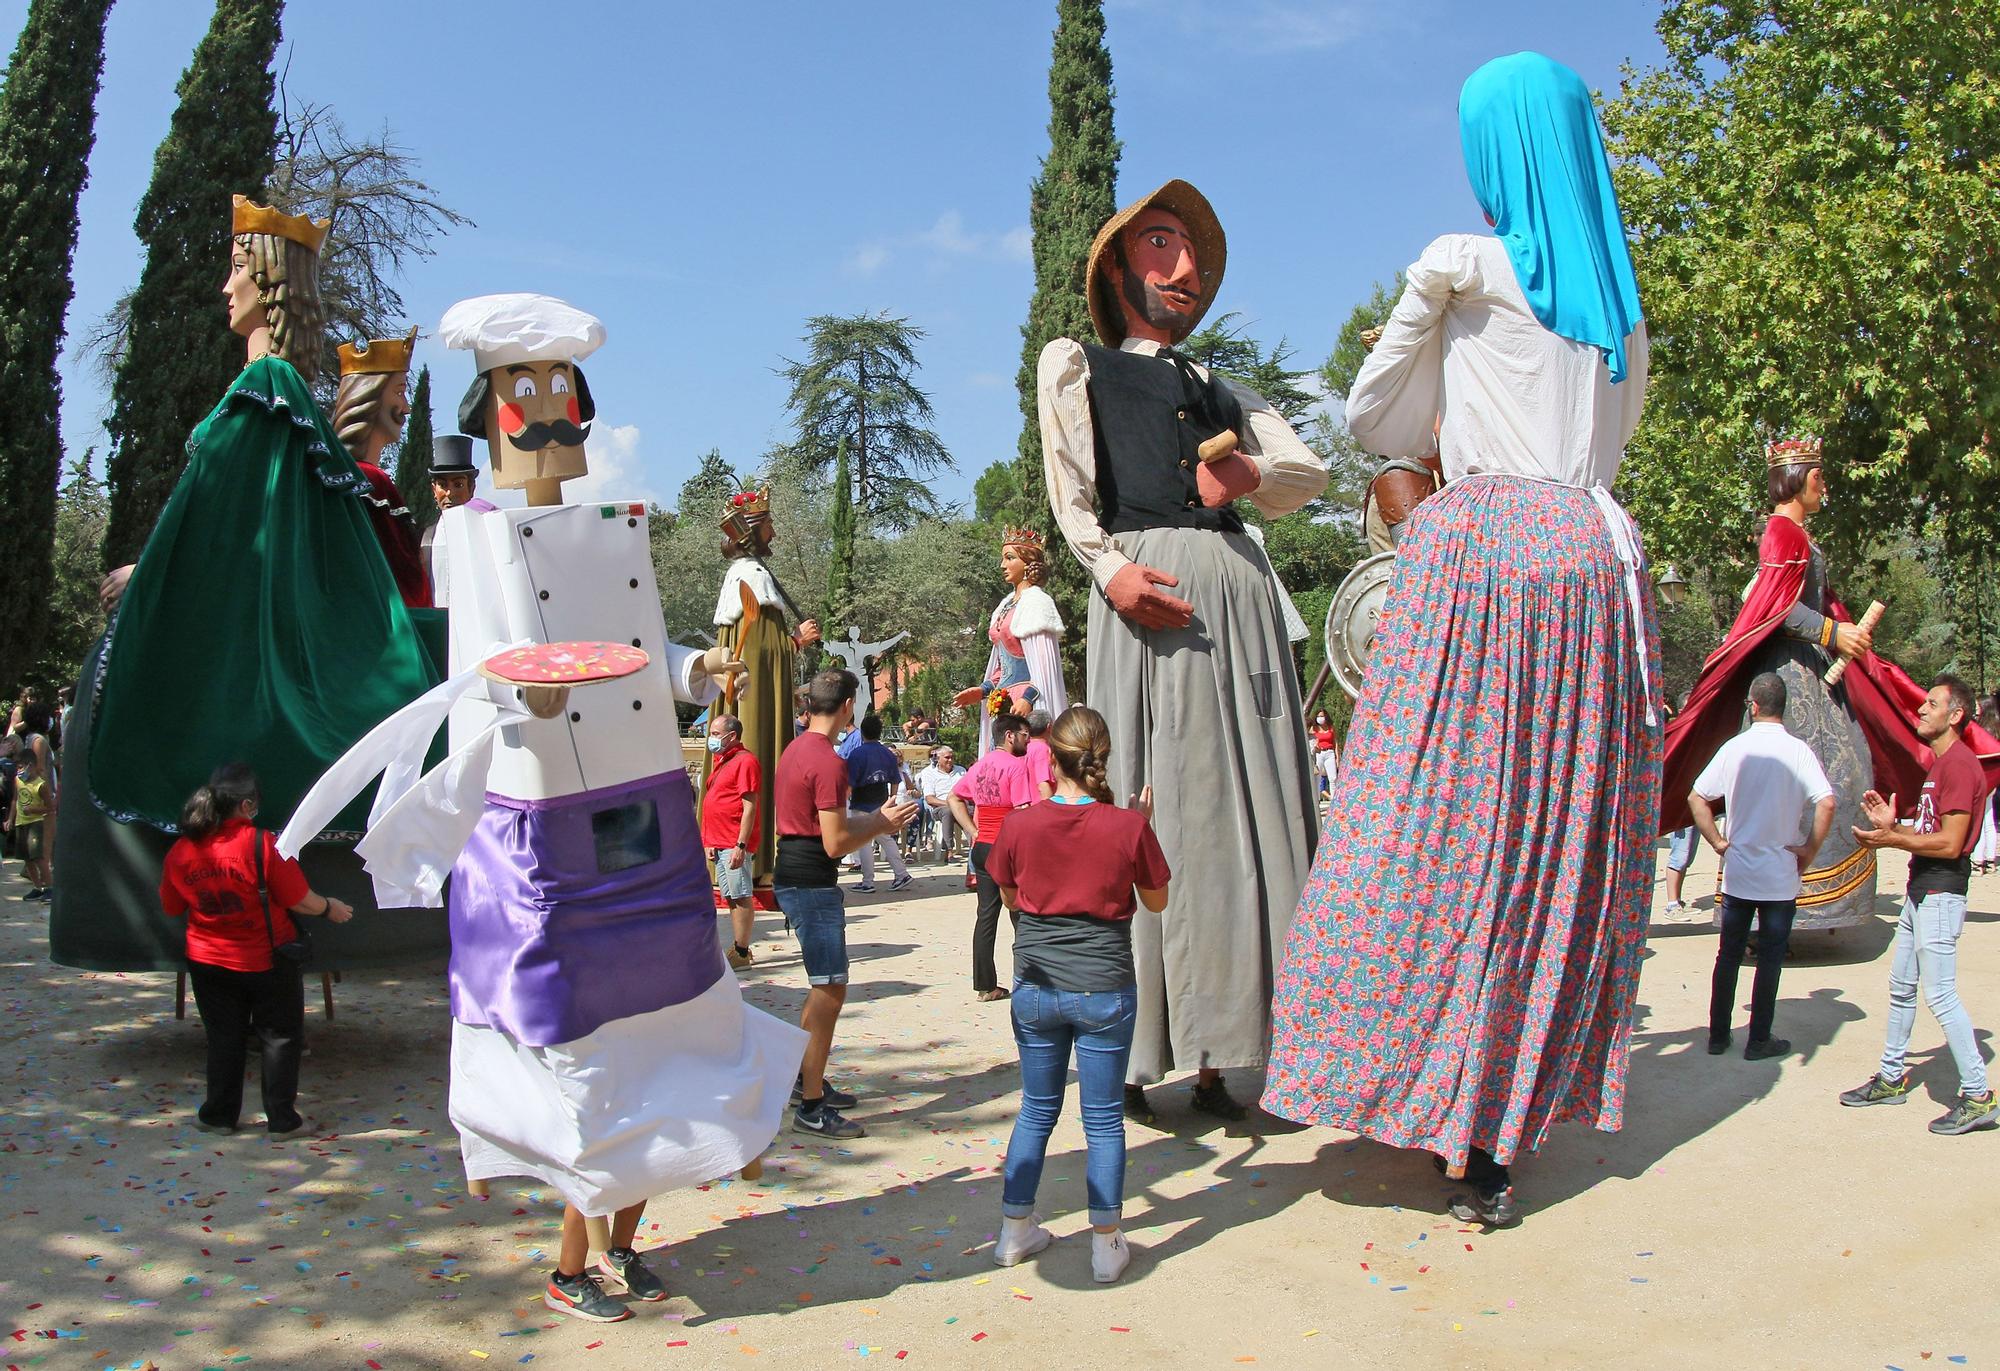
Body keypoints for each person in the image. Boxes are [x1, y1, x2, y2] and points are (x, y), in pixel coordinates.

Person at [1261, 54, 1658, 1227]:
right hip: (1589, 563)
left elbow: (1373, 419)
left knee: (1420, 825)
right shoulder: (1620, 308)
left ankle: (1408, 1080)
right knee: (1547, 842)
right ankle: (1493, 1125)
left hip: (1480, 554)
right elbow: (1609, 453)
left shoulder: (1459, 262)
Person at [53, 195, 442, 978]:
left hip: (257, 625)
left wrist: (145, 572)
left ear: (267, 283)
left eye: (236, 270)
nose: (223, 289)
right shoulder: (281, 390)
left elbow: (225, 517)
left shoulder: (262, 389)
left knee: (110, 681)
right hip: (261, 614)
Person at [1037, 177, 1327, 1123]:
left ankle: (1230, 1049)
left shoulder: (1221, 388)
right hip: (1148, 595)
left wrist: (1242, 469)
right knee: (1149, 808)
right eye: (1161, 246)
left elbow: (1301, 471)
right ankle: (1135, 1049)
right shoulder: (1076, 362)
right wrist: (1107, 570)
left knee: (1252, 818)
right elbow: (1071, 490)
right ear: (1119, 268)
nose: (1186, 268)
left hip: (1238, 595)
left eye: (1191, 254)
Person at [985, 706, 1170, 1285]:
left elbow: (1010, 896)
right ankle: (1106, 1243)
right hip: (1103, 987)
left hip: (1037, 985)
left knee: (1037, 1110)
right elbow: (1157, 902)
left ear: (1051, 755)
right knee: (1103, 1120)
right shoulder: (1128, 827)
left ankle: (1015, 1232)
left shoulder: (1020, 825)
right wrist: (1139, 824)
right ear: (1102, 757)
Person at [160, 764, 354, 1136]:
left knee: (223, 1037)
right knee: (279, 1036)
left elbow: (171, 906)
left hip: (206, 959)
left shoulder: (182, 849)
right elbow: (300, 900)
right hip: (265, 958)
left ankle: (218, 1115)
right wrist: (330, 907)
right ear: (248, 805)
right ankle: (282, 1120)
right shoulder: (262, 845)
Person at [1841, 675, 1996, 1135]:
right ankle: (1891, 1077)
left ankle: (1978, 1094)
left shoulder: (1960, 766)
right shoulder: (1941, 766)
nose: (1921, 710)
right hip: (1921, 890)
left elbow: (1950, 844)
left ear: (1956, 715)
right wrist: (1897, 824)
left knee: (1941, 994)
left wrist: (1892, 838)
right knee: (1902, 986)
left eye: (1931, 704)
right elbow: (1932, 831)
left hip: (1941, 892)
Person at [775, 669, 919, 1140]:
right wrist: (881, 821)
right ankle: (812, 1106)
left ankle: (805, 1081)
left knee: (824, 987)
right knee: (830, 988)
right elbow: (836, 842)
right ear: (849, 706)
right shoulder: (830, 761)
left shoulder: (795, 749)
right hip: (812, 882)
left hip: (796, 874)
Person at [1686, 672, 1835, 1059]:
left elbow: (1697, 798)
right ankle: (1759, 1039)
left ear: (1753, 705)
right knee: (1770, 958)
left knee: (1728, 955)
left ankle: (1718, 1035)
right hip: (1779, 874)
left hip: (1739, 871)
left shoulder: (1735, 748)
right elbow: (1827, 802)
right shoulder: (1799, 751)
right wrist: (1809, 850)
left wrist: (1718, 842)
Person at [705, 488, 819, 889]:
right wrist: (797, 640)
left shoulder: (741, 574)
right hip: (755, 696)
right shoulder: (753, 577)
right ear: (753, 533)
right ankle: (760, 863)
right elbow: (761, 652)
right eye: (769, 525)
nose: (775, 533)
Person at [331, 330, 431, 609]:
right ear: (368, 397)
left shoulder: (343, 476)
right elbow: (403, 581)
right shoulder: (370, 481)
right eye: (399, 392)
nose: (407, 407)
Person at [954, 528, 1069, 756]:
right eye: (1003, 558)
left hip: (1027, 701)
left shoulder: (1036, 602)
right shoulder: (1006, 605)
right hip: (1003, 702)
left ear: (1028, 563)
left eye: (1010, 558)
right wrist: (983, 690)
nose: (1002, 565)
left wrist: (1028, 699)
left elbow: (1044, 668)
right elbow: (1002, 667)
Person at [950, 712, 1038, 1002]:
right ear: (1010, 736)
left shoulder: (981, 765)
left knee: (986, 916)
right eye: (1025, 735)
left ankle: (985, 986)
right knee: (1021, 914)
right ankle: (1030, 980)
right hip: (1009, 846)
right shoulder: (1016, 766)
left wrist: (973, 830)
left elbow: (954, 797)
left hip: (983, 846)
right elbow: (1023, 811)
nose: (1028, 740)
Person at [702, 714, 760, 970]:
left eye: (716, 733)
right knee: (731, 896)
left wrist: (741, 844)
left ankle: (742, 950)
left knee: (740, 894)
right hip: (719, 840)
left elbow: (749, 807)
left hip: (733, 842)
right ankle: (738, 947)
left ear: (731, 735)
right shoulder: (722, 761)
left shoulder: (745, 761)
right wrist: (710, 840)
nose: (712, 738)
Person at [845, 713, 913, 893]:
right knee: (886, 839)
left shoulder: (857, 754)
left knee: (864, 841)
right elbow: (896, 779)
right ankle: (901, 873)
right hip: (882, 801)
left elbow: (850, 782)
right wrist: (892, 799)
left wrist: (844, 798)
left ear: (862, 733)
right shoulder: (888, 753)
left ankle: (868, 881)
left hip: (862, 803)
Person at [421, 434, 495, 593]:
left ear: (472, 488)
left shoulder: (487, 531)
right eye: (442, 484)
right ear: (434, 490)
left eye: (458, 484)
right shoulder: (427, 538)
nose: (450, 492)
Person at [11, 732, 53, 898]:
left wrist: (34, 810)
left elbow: (49, 808)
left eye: (21, 766)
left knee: (38, 857)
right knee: (26, 858)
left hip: (35, 822)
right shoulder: (18, 781)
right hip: (21, 822)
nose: (19, 770)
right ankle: (37, 887)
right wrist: (10, 818)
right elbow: (15, 799)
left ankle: (49, 887)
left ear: (31, 765)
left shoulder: (41, 785)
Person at [914, 746, 966, 860]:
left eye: (952, 757)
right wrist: (951, 804)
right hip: (940, 807)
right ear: (938, 758)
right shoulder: (929, 773)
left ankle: (977, 844)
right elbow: (930, 799)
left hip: (961, 805)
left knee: (976, 811)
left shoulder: (961, 771)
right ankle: (949, 850)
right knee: (948, 812)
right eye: (947, 757)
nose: (950, 760)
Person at [1023, 710, 1056, 801]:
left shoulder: (1023, 748)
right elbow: (1044, 784)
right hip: (1040, 807)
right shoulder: (1042, 749)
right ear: (1049, 727)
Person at [1308, 709, 1338, 800]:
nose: (1320, 718)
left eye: (1322, 716)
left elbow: (1335, 742)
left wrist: (1338, 757)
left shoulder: (1331, 728)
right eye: (1318, 716)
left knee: (1333, 778)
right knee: (1317, 777)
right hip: (1319, 754)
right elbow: (1308, 737)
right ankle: (1317, 800)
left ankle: (1334, 800)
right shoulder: (1314, 728)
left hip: (1330, 752)